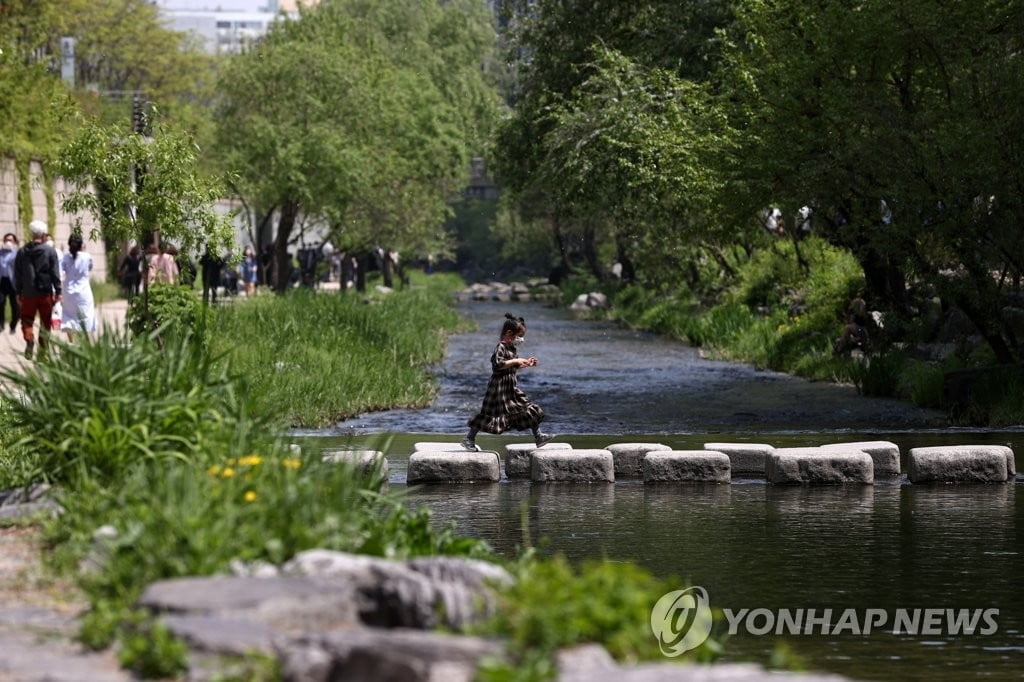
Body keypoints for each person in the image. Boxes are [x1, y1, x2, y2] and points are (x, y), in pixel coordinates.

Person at [462, 313, 554, 451]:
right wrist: (516, 360)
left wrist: (526, 363)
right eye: (520, 335)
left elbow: (512, 365)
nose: (521, 339)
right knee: (489, 414)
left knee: (526, 407)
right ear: (509, 333)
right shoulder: (501, 346)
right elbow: (498, 365)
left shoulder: (512, 348)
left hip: (510, 387)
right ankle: (469, 439)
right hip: (498, 388)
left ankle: (538, 436)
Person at [14, 220, 61, 360]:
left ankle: (29, 339)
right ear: (44, 234)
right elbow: (55, 272)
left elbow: (18, 273)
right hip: (45, 292)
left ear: (31, 233)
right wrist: (58, 291)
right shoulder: (50, 251)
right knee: (45, 322)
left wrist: (18, 292)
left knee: (27, 320)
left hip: (28, 292)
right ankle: (42, 353)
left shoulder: (22, 251)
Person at [59, 233, 96, 342]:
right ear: (81, 245)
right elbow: (89, 268)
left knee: (68, 316)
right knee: (84, 316)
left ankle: (71, 342)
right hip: (83, 292)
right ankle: (84, 342)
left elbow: (61, 273)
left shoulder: (65, 257)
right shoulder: (87, 256)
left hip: (68, 292)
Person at [0, 233, 20, 334]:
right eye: (6, 239)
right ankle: (1, 324)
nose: (8, 242)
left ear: (14, 242)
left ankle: (13, 326)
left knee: (15, 306)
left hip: (13, 282)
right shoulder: (0, 253)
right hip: (2, 281)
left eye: (10, 240)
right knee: (0, 303)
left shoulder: (17, 253)